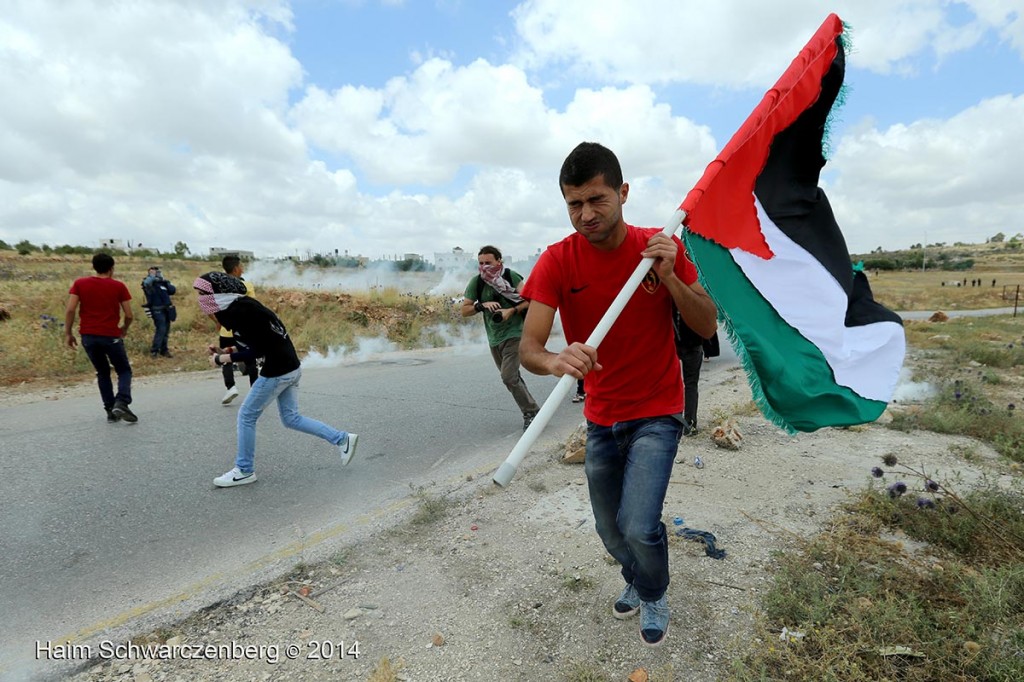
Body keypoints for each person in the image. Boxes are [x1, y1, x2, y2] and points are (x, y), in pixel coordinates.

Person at [519, 142, 717, 647]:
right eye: (574, 204)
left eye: (597, 200)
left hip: (657, 410)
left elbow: (706, 322)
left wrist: (669, 278)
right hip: (601, 417)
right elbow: (529, 348)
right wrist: (556, 360)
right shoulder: (557, 261)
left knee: (638, 521)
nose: (585, 214)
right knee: (611, 531)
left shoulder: (660, 246)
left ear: (623, 193)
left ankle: (653, 591)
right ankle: (640, 574)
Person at [193, 272, 359, 487]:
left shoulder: (239, 313)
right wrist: (227, 350)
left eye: (202, 294)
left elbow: (258, 349)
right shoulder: (246, 306)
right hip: (290, 367)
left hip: (277, 370)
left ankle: (244, 470)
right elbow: (259, 342)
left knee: (246, 416)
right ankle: (342, 439)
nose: (200, 300)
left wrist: (223, 358)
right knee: (291, 418)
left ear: (218, 293)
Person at [461, 245, 540, 431]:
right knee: (512, 378)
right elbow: (464, 310)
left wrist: (510, 311)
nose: (484, 267)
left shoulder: (511, 277)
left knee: (508, 376)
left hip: (516, 334)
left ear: (499, 261)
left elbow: (530, 299)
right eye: (480, 263)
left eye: (488, 263)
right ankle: (533, 410)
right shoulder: (477, 283)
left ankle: (531, 412)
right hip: (494, 338)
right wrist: (481, 306)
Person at [65, 253, 138, 423]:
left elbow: (70, 310)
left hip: (88, 336)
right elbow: (129, 314)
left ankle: (110, 410)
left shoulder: (80, 284)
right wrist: (124, 329)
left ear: (94, 267)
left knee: (102, 372)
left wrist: (68, 333)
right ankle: (122, 401)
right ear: (112, 268)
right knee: (123, 370)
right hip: (110, 335)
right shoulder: (118, 286)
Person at [215, 255, 259, 404]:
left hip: (226, 330)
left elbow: (211, 307)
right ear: (235, 269)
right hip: (244, 330)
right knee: (250, 358)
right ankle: (255, 391)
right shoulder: (246, 285)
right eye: (241, 266)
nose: (243, 269)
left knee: (225, 358)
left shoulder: (217, 287)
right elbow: (254, 306)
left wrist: (217, 321)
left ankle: (231, 387)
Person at [672, 309, 720, 437]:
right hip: (693, 345)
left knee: (672, 384)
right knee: (691, 385)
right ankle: (690, 424)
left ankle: (672, 421)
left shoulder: (670, 296)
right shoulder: (695, 296)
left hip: (673, 345)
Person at [141, 266, 176, 358]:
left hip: (167, 309)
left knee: (166, 331)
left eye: (158, 272)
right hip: (157, 310)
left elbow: (172, 290)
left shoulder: (163, 283)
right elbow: (146, 283)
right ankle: (154, 351)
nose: (157, 273)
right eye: (154, 272)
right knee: (161, 330)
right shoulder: (149, 283)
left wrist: (164, 280)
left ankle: (164, 350)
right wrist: (152, 276)